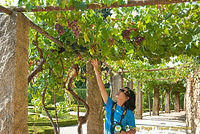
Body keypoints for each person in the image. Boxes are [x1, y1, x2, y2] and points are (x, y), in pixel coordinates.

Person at [91, 59, 136, 134]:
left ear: (127, 98)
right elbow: (102, 89)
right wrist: (96, 70)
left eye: (123, 91)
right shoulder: (110, 105)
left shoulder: (129, 113)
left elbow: (133, 130)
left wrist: (126, 133)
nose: (120, 90)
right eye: (121, 89)